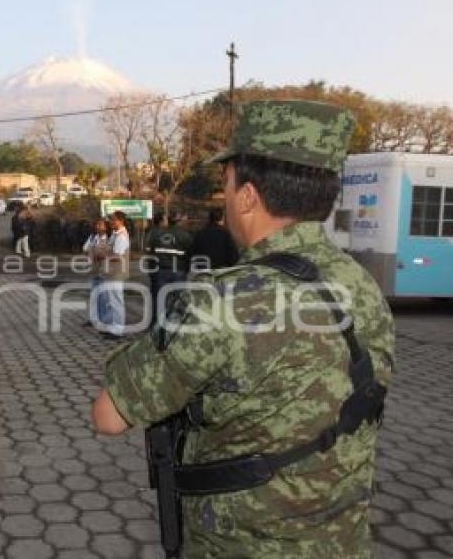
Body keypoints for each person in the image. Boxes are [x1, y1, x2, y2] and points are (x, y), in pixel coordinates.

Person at [92, 100, 393, 558]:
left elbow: (109, 415)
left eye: (227, 183)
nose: (225, 196)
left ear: (249, 195)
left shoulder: (220, 300)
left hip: (241, 542)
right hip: (341, 538)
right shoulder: (362, 284)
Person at [145, 211, 193, 325]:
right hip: (179, 271)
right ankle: (175, 326)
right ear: (180, 221)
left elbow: (152, 254)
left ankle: (157, 326)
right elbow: (190, 255)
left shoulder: (158, 234)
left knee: (160, 299)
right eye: (185, 219)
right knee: (178, 300)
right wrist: (186, 270)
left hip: (161, 271)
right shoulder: (186, 235)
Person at [99, 211, 130, 339]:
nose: (111, 222)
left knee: (116, 302)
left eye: (113, 220)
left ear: (121, 221)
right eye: (110, 220)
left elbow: (118, 257)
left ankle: (118, 329)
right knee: (110, 301)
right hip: (111, 273)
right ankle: (111, 326)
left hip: (116, 273)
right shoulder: (115, 235)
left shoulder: (121, 236)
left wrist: (103, 256)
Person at [82, 218, 111, 329]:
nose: (98, 227)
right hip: (94, 269)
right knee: (94, 296)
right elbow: (85, 248)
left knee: (104, 297)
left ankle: (103, 320)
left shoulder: (109, 239)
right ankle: (94, 319)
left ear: (106, 227)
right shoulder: (93, 237)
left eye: (101, 225)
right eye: (97, 224)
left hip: (105, 270)